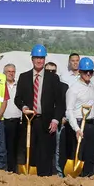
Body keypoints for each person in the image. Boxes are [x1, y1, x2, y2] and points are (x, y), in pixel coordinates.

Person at [13, 44, 65, 176]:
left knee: (45, 155)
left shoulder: (53, 78)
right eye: (36, 58)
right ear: (32, 59)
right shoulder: (24, 77)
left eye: (41, 58)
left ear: (44, 59)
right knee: (30, 152)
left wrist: (55, 120)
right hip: (29, 122)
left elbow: (60, 102)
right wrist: (24, 107)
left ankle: (45, 180)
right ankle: (30, 181)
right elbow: (17, 98)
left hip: (47, 123)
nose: (39, 60)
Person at [63, 56, 94, 177]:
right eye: (85, 71)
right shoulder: (73, 89)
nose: (88, 74)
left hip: (91, 124)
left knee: (90, 154)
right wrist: (77, 129)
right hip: (79, 124)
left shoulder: (91, 86)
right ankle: (75, 179)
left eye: (90, 71)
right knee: (78, 154)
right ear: (80, 71)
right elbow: (69, 111)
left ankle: (88, 177)